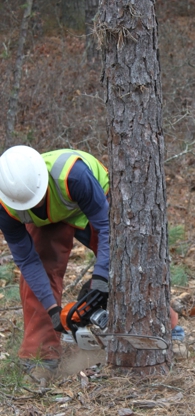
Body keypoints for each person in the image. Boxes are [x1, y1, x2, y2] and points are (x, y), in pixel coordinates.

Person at [0, 145, 179, 382]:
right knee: (37, 274)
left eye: (37, 199)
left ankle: (167, 327)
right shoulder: (6, 206)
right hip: (49, 220)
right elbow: (27, 261)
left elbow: (107, 228)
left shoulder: (73, 174)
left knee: (125, 261)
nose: (34, 203)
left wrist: (101, 280)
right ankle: (41, 356)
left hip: (95, 203)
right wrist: (54, 311)